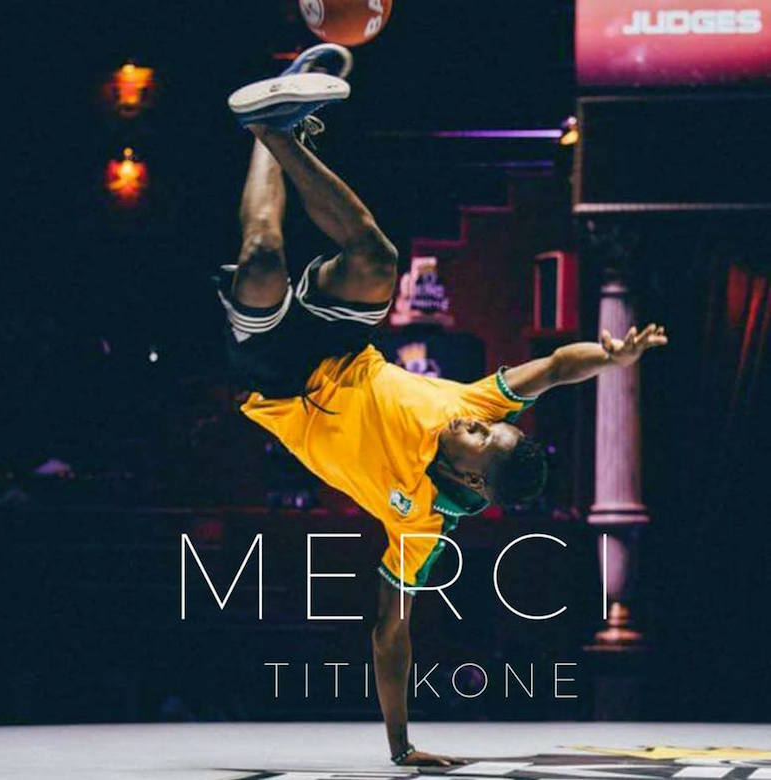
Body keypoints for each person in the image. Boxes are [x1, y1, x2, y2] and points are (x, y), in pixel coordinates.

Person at [217, 46, 668, 766]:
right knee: (378, 260)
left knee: (263, 258)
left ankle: (274, 130)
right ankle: (278, 125)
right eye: (488, 426)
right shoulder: (473, 404)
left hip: (278, 386)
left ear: (473, 482)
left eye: (479, 439)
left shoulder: (420, 528)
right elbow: (556, 368)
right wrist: (611, 358)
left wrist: (402, 747)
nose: (473, 423)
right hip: (342, 343)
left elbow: (390, 634)